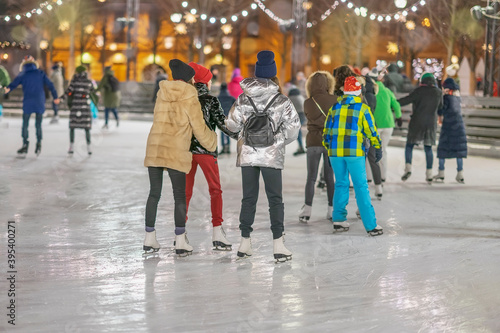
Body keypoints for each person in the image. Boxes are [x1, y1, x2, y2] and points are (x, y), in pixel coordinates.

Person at [226, 50, 300, 262]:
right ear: (274, 74)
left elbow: (231, 124)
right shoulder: (282, 100)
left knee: (248, 198)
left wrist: (243, 137)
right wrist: (278, 142)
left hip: (248, 154)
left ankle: (244, 244)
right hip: (271, 156)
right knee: (275, 199)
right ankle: (278, 245)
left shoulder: (242, 98)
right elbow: (294, 129)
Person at [143, 59, 217, 256]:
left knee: (154, 194)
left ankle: (149, 238)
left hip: (156, 147)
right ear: (189, 79)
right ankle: (180, 240)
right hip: (176, 149)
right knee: (179, 196)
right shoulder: (190, 96)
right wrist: (212, 142)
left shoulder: (162, 93)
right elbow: (199, 127)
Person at [185, 62, 238, 251]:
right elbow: (223, 124)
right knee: (215, 190)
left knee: (185, 193)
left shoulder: (185, 99)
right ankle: (217, 232)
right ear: (205, 83)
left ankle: (180, 235)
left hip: (186, 152)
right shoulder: (210, 100)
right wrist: (240, 135)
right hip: (206, 151)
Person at [323, 76, 383, 236]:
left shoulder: (334, 108)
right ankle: (371, 225)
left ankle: (338, 220)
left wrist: (329, 150)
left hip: (335, 153)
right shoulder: (362, 109)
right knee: (361, 186)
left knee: (341, 184)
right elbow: (371, 131)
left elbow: (326, 133)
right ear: (357, 92)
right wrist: (377, 147)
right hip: (354, 152)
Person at [298, 71, 336, 223]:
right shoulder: (335, 100)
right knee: (329, 178)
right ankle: (331, 210)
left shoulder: (308, 102)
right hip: (330, 142)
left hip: (313, 141)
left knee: (311, 178)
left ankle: (307, 210)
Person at [4, 57, 60, 156]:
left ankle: (25, 144)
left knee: (25, 124)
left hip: (28, 101)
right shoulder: (40, 73)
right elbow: (50, 85)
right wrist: (55, 97)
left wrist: (7, 89)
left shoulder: (23, 74)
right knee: (38, 124)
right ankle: (39, 143)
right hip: (39, 101)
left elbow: (14, 84)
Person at [398, 72, 443, 183]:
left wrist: (393, 103)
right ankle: (429, 174)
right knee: (428, 148)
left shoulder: (418, 91)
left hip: (417, 122)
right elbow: (441, 108)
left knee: (410, 145)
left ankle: (408, 168)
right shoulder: (438, 93)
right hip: (431, 124)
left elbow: (406, 100)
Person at [369, 67, 402, 183]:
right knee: (383, 150)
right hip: (388, 124)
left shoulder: (371, 92)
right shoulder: (388, 91)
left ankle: (369, 177)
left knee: (371, 151)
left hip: (376, 125)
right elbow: (396, 105)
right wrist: (399, 117)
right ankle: (383, 176)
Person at [433, 77, 467, 183]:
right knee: (459, 151)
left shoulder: (446, 98)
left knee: (443, 149)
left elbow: (441, 111)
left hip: (448, 127)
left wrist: (438, 108)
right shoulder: (458, 98)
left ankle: (441, 172)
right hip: (459, 127)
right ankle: (460, 173)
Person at [60, 65, 95, 155]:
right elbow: (93, 91)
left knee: (72, 127)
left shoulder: (74, 81)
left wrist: (61, 98)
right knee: (86, 128)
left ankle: (71, 146)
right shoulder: (88, 82)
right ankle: (89, 147)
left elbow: (69, 91)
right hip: (85, 108)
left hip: (75, 107)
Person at [217, 82, 236, 154]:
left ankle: (224, 147)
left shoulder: (218, 98)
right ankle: (228, 147)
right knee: (227, 132)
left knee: (222, 132)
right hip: (229, 116)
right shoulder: (231, 98)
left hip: (221, 117)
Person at [288, 86, 306, 155]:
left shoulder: (291, 99)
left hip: (296, 116)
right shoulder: (301, 97)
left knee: (298, 132)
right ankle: (301, 147)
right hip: (302, 116)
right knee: (298, 132)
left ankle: (301, 147)